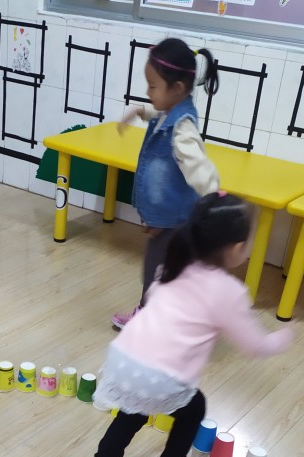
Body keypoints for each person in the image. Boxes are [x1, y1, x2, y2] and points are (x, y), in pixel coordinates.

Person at [81, 192, 292, 457]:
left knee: (133, 409)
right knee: (193, 409)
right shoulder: (228, 291)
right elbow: (256, 346)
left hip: (123, 360)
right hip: (160, 376)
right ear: (236, 247)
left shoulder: (173, 264)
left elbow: (152, 297)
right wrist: (285, 336)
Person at [110, 38, 221, 330]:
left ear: (177, 88)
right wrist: (140, 112)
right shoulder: (171, 113)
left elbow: (198, 165)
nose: (148, 92)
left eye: (153, 86)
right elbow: (160, 116)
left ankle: (151, 319)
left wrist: (213, 196)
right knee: (167, 269)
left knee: (157, 269)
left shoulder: (182, 129)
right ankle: (173, 317)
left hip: (176, 219)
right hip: (169, 216)